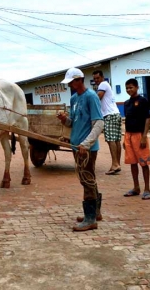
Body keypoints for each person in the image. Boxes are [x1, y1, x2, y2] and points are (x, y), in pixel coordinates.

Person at [57, 68, 104, 231]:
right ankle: (95, 212)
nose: (69, 85)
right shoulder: (74, 98)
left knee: (87, 179)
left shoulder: (91, 97)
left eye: (71, 82)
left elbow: (99, 123)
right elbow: (73, 122)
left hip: (86, 148)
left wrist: (86, 144)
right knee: (89, 178)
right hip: (76, 147)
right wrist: (65, 120)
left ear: (79, 80)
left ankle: (90, 219)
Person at [122, 78, 150, 200]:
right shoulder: (126, 103)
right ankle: (136, 187)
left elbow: (147, 119)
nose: (129, 90)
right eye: (127, 88)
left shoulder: (143, 101)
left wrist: (144, 136)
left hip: (139, 135)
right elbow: (127, 120)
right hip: (128, 135)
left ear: (137, 87)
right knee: (132, 163)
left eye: (131, 87)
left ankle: (147, 189)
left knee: (144, 163)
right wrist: (125, 138)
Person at [92, 70, 122, 175]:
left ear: (102, 77)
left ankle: (115, 164)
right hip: (116, 114)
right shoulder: (104, 85)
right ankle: (117, 164)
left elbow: (98, 97)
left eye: (97, 78)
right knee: (116, 140)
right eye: (94, 79)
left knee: (111, 139)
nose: (96, 80)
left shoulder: (103, 84)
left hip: (109, 115)